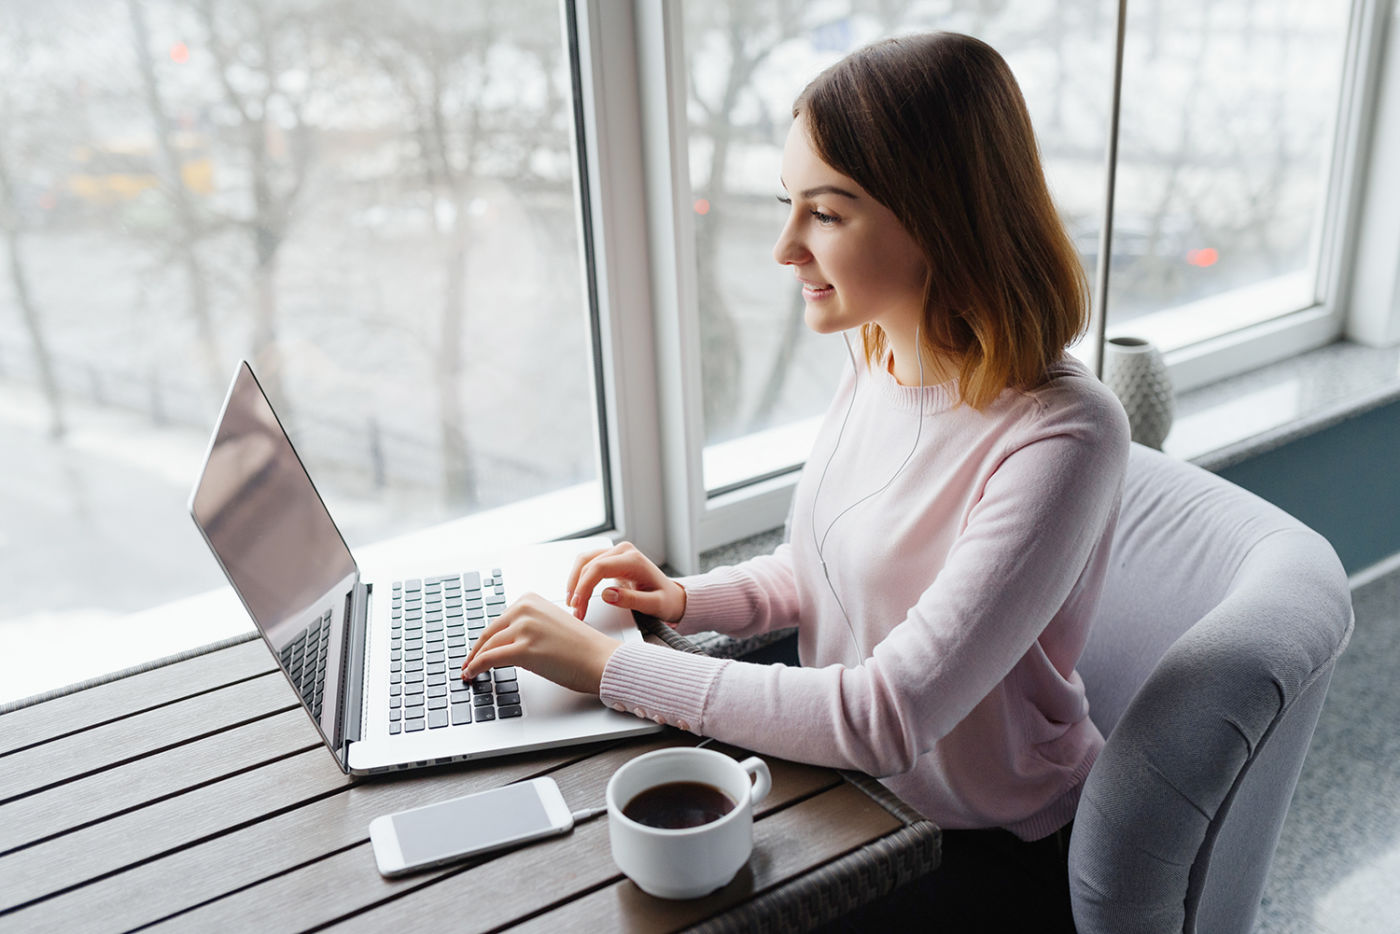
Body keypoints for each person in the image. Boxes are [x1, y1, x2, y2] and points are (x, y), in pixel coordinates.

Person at [463, 31, 1129, 929]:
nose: (784, 247)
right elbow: (819, 567)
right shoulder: (878, 355)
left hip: (980, 848)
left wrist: (609, 666)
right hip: (854, 793)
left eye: (826, 212)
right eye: (789, 203)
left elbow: (885, 715)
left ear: (942, 216)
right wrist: (681, 600)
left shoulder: (1064, 437)